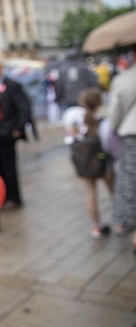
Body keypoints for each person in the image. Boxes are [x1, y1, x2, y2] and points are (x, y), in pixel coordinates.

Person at [0, 58, 31, 209]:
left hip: (8, 131)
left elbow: (23, 107)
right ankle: (2, 197)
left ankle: (14, 197)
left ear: (1, 69)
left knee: (9, 166)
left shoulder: (12, 85)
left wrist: (19, 128)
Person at [70, 88, 114, 239]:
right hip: (104, 163)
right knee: (114, 191)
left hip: (86, 165)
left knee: (90, 192)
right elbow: (110, 144)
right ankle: (121, 220)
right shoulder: (104, 122)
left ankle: (96, 226)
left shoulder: (77, 122)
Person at [108, 46, 136, 253]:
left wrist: (116, 128)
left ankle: (126, 223)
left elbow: (114, 112)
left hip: (131, 134)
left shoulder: (124, 79)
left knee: (129, 180)